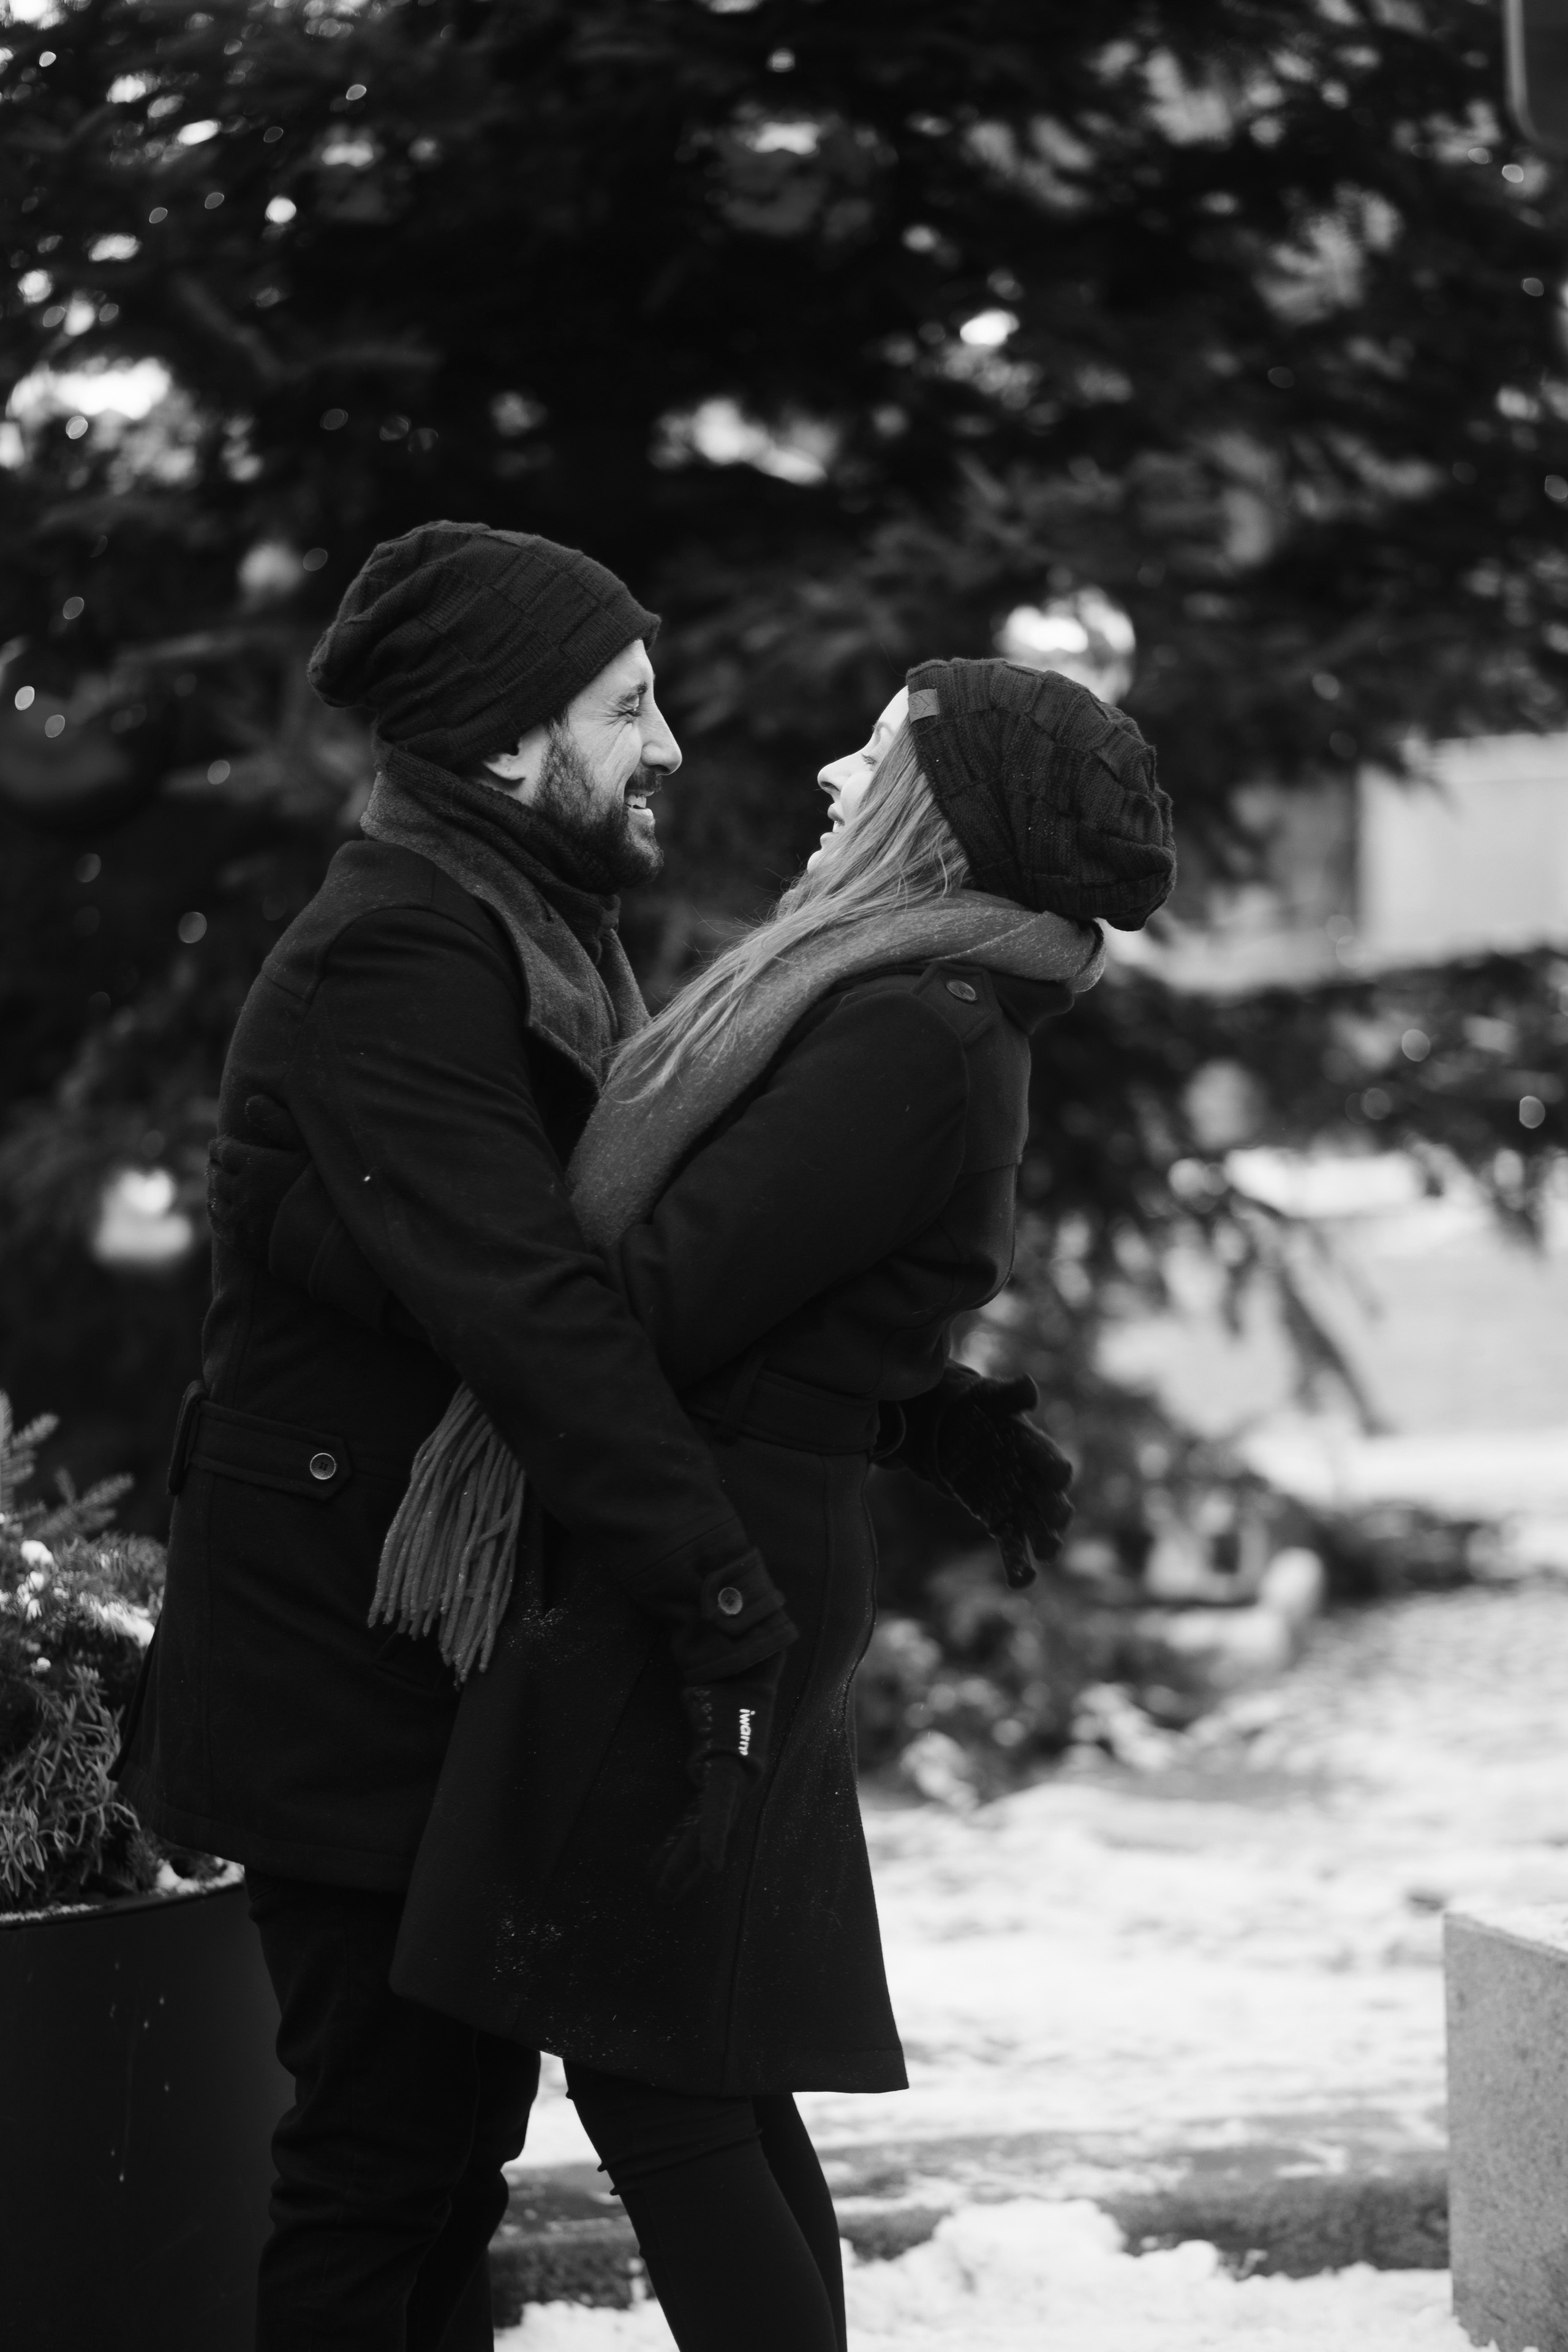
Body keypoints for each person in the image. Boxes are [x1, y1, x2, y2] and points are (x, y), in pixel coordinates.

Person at [380, 655, 1177, 2352]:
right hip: (739, 1537)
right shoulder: (929, 1010)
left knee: (658, 2077)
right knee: (702, 2066)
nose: (833, 771)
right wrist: (923, 1409)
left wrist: (454, 1215)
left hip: (702, 1570)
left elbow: (670, 1301)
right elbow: (813, 1300)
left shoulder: (912, 1027)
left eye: (875, 751)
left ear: (943, 816)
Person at [114, 522, 802, 2352]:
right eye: (626, 706)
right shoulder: (402, 956)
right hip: (341, 1662)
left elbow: (606, 1281)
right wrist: (714, 1584)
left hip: (421, 1653)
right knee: (385, 2160)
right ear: (510, 742)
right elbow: (529, 1309)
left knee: (440, 2160)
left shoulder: (526, 932)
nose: (667, 744)